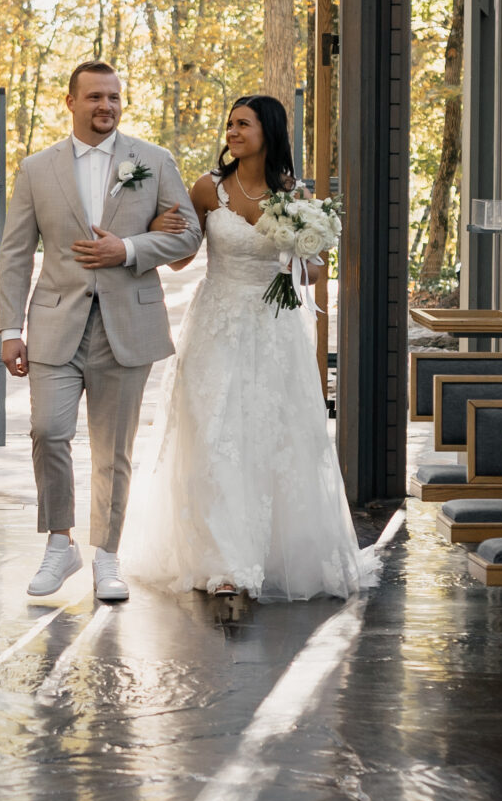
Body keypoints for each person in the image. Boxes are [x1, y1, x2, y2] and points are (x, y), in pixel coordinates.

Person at [123, 94, 376, 602]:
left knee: (269, 435)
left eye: (243, 124)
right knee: (212, 432)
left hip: (274, 326)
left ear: (268, 131)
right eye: (230, 124)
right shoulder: (206, 189)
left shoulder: (292, 193)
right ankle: (222, 561)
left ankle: (267, 552)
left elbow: (319, 267)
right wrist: (154, 230)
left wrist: (300, 254)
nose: (232, 132)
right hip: (215, 323)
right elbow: (180, 257)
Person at [0, 62, 201, 603]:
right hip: (53, 323)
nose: (105, 106)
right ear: (70, 102)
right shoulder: (37, 169)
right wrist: (9, 329)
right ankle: (59, 544)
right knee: (48, 432)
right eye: (94, 97)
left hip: (126, 323)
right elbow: (14, 253)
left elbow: (189, 236)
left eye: (113, 97)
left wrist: (128, 249)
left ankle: (107, 557)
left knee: (114, 451)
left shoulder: (153, 162)